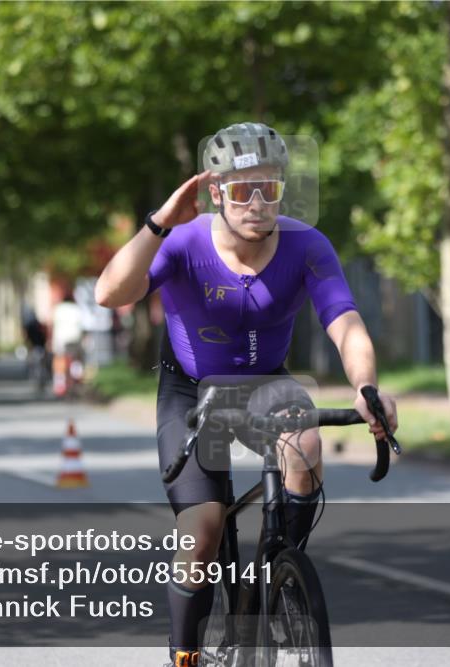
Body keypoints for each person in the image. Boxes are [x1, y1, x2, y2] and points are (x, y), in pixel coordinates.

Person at [94, 122, 398, 667]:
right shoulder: (185, 241)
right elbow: (109, 293)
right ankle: (184, 654)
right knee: (202, 531)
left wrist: (366, 387)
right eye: (241, 190)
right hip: (190, 391)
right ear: (216, 193)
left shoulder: (307, 245)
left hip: (265, 381)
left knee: (304, 446)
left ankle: (280, 571)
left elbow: (345, 321)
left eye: (270, 188)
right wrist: (161, 221)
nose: (257, 203)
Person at [50, 292, 84, 397]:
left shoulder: (58, 309)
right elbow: (81, 324)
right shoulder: (77, 308)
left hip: (61, 339)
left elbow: (52, 324)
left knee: (60, 361)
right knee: (76, 359)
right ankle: (77, 379)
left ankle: (60, 385)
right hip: (75, 338)